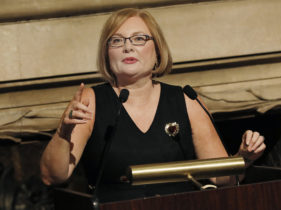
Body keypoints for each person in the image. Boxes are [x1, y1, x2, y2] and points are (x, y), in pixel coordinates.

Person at [40, 8, 266, 202]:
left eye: (139, 39)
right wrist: (63, 133)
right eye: (117, 40)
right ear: (107, 53)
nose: (127, 47)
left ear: (157, 51)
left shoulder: (186, 100)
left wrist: (243, 157)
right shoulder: (90, 100)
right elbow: (52, 176)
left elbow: (221, 179)